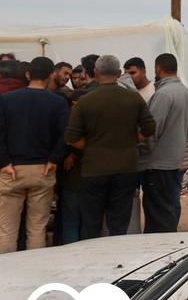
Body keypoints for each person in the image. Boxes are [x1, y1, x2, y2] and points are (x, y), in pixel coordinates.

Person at [65, 55, 155, 239]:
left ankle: (91, 259)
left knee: (91, 222)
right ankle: (117, 260)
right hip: (126, 167)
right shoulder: (133, 98)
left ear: (96, 72)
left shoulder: (85, 101)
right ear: (119, 73)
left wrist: (91, 146)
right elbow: (149, 127)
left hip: (94, 168)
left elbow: (71, 137)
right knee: (119, 222)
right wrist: (133, 139)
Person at [0, 57, 70, 253]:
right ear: (50, 75)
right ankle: (35, 275)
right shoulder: (58, 102)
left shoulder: (6, 100)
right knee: (37, 229)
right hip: (42, 170)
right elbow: (67, 135)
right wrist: (54, 159)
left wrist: (4, 162)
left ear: (28, 75)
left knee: (6, 230)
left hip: (11, 170)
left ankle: (5, 277)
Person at [138, 53, 188, 233]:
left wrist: (140, 152)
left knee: (157, 216)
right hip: (173, 162)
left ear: (158, 68)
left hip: (158, 164)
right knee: (167, 211)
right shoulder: (184, 92)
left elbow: (151, 130)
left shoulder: (163, 94)